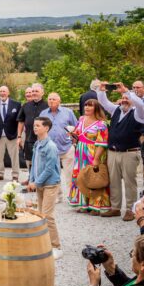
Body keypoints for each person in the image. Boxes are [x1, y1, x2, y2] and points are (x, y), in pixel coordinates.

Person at [95, 83, 144, 220]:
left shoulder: (139, 112)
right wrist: (101, 91)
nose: (124, 100)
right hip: (113, 152)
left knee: (130, 182)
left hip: (129, 152)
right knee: (114, 181)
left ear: (132, 100)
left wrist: (127, 92)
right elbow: (104, 103)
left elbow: (140, 104)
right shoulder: (116, 110)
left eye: (127, 98)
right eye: (123, 98)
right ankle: (115, 208)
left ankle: (130, 209)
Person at [68, 97, 109, 212]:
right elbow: (77, 135)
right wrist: (73, 136)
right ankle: (84, 204)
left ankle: (95, 205)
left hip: (93, 153)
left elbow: (102, 143)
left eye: (90, 105)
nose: (87, 107)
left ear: (96, 108)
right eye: (86, 105)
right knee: (80, 177)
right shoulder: (81, 119)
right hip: (80, 152)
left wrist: (96, 159)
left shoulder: (101, 124)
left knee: (93, 178)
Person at [29, 117, 62, 258]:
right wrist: (31, 179)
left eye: (38, 125)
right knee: (40, 214)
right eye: (34, 125)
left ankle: (56, 247)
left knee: (47, 215)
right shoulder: (37, 144)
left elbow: (49, 169)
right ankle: (44, 243)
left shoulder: (51, 146)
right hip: (40, 184)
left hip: (50, 184)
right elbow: (34, 164)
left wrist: (36, 182)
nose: (35, 127)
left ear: (46, 128)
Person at [38, 93, 78, 200]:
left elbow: (76, 127)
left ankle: (72, 197)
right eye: (50, 99)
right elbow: (39, 128)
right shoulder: (43, 113)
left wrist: (73, 140)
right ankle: (57, 196)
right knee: (53, 174)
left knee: (70, 174)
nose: (51, 101)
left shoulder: (68, 112)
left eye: (54, 99)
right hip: (50, 149)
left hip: (67, 148)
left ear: (59, 101)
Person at [17, 83, 48, 169]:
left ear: (42, 93)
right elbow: (21, 121)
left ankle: (41, 180)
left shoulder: (47, 106)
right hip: (29, 139)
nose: (34, 93)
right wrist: (19, 137)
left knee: (42, 161)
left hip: (42, 140)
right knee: (29, 161)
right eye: (33, 91)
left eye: (36, 91)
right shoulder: (26, 106)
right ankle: (31, 178)